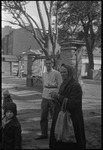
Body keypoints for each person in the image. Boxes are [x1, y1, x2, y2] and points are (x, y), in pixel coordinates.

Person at [49, 64, 86, 149]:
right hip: (61, 115)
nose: (62, 74)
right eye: (61, 72)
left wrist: (58, 96)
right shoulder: (63, 83)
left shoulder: (75, 85)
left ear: (69, 72)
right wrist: (55, 98)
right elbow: (62, 99)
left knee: (70, 141)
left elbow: (73, 104)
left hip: (71, 119)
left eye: (64, 72)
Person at [35, 57, 62, 140]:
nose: (48, 65)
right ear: (45, 64)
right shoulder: (44, 74)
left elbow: (60, 86)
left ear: (52, 64)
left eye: (49, 63)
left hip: (53, 98)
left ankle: (55, 134)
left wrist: (55, 94)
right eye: (46, 63)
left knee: (54, 117)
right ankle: (44, 134)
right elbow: (44, 85)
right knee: (43, 116)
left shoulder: (57, 73)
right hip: (45, 98)